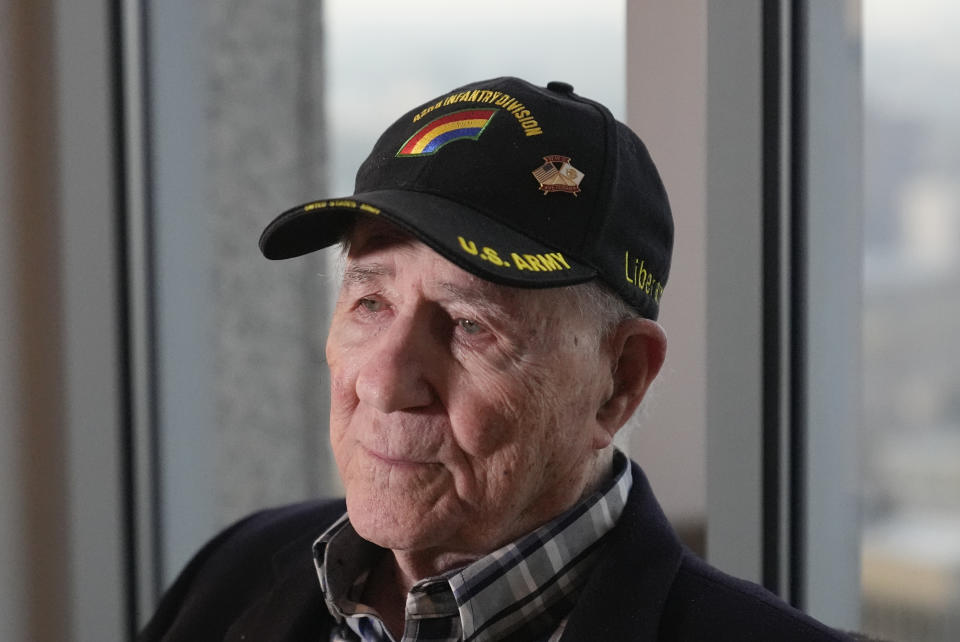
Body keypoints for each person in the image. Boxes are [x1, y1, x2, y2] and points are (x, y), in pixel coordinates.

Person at [140, 77, 855, 641]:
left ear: (620, 382)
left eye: (468, 325)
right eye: (370, 304)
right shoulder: (232, 570)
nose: (384, 383)